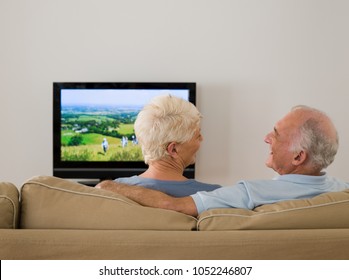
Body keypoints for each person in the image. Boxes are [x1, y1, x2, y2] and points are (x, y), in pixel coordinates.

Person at [96, 105, 349, 216]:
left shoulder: (250, 194)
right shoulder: (342, 192)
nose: (266, 137)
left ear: (298, 156)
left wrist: (107, 186)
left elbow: (172, 206)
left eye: (276, 134)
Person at [106, 94, 221, 197]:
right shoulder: (213, 196)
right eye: (197, 135)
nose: (202, 138)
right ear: (173, 149)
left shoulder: (111, 190)